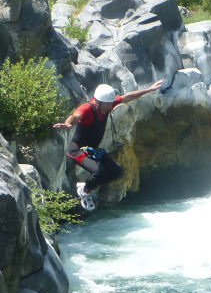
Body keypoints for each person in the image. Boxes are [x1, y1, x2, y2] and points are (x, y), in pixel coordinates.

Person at [53, 81, 163, 210]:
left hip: (93, 149)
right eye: (107, 105)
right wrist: (67, 124)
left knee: (116, 172)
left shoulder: (107, 104)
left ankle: (86, 187)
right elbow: (75, 116)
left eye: (111, 104)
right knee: (99, 171)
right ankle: (85, 190)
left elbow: (126, 97)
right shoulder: (88, 109)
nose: (110, 107)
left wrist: (148, 89)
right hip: (77, 151)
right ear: (98, 102)